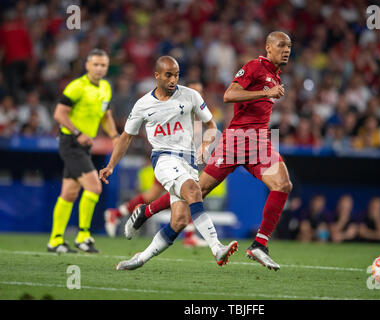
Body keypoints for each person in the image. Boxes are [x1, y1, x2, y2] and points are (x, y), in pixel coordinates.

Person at [125, 31, 293, 271]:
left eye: (289, 46)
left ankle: (259, 245)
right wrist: (266, 93)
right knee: (198, 190)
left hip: (259, 141)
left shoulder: (275, 75)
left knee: (283, 184)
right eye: (281, 45)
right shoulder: (255, 67)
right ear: (268, 47)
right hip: (236, 140)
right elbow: (229, 95)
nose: (286, 50)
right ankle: (147, 210)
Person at [99, 56, 238, 270]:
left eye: (176, 75)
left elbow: (211, 124)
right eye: (168, 75)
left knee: (180, 220)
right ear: (157, 76)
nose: (173, 80)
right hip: (164, 159)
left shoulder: (191, 95)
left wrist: (205, 145)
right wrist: (110, 165)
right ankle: (217, 247)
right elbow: (126, 137)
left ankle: (139, 258)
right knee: (194, 191)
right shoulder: (143, 105)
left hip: (188, 161)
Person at [104, 81, 213, 248]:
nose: (198, 94)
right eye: (195, 90)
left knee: (159, 194)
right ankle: (189, 235)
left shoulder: (195, 114)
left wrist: (203, 148)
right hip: (170, 160)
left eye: (200, 91)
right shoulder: (177, 108)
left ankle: (117, 213)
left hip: (185, 160)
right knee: (189, 191)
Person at [47, 49, 120, 253]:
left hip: (85, 145)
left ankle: (55, 240)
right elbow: (59, 114)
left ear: (107, 67)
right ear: (87, 66)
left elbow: (106, 116)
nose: (99, 68)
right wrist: (78, 133)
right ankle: (83, 236)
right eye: (95, 64)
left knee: (69, 193)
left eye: (103, 65)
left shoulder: (106, 87)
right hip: (71, 142)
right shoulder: (77, 86)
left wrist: (115, 137)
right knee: (94, 187)